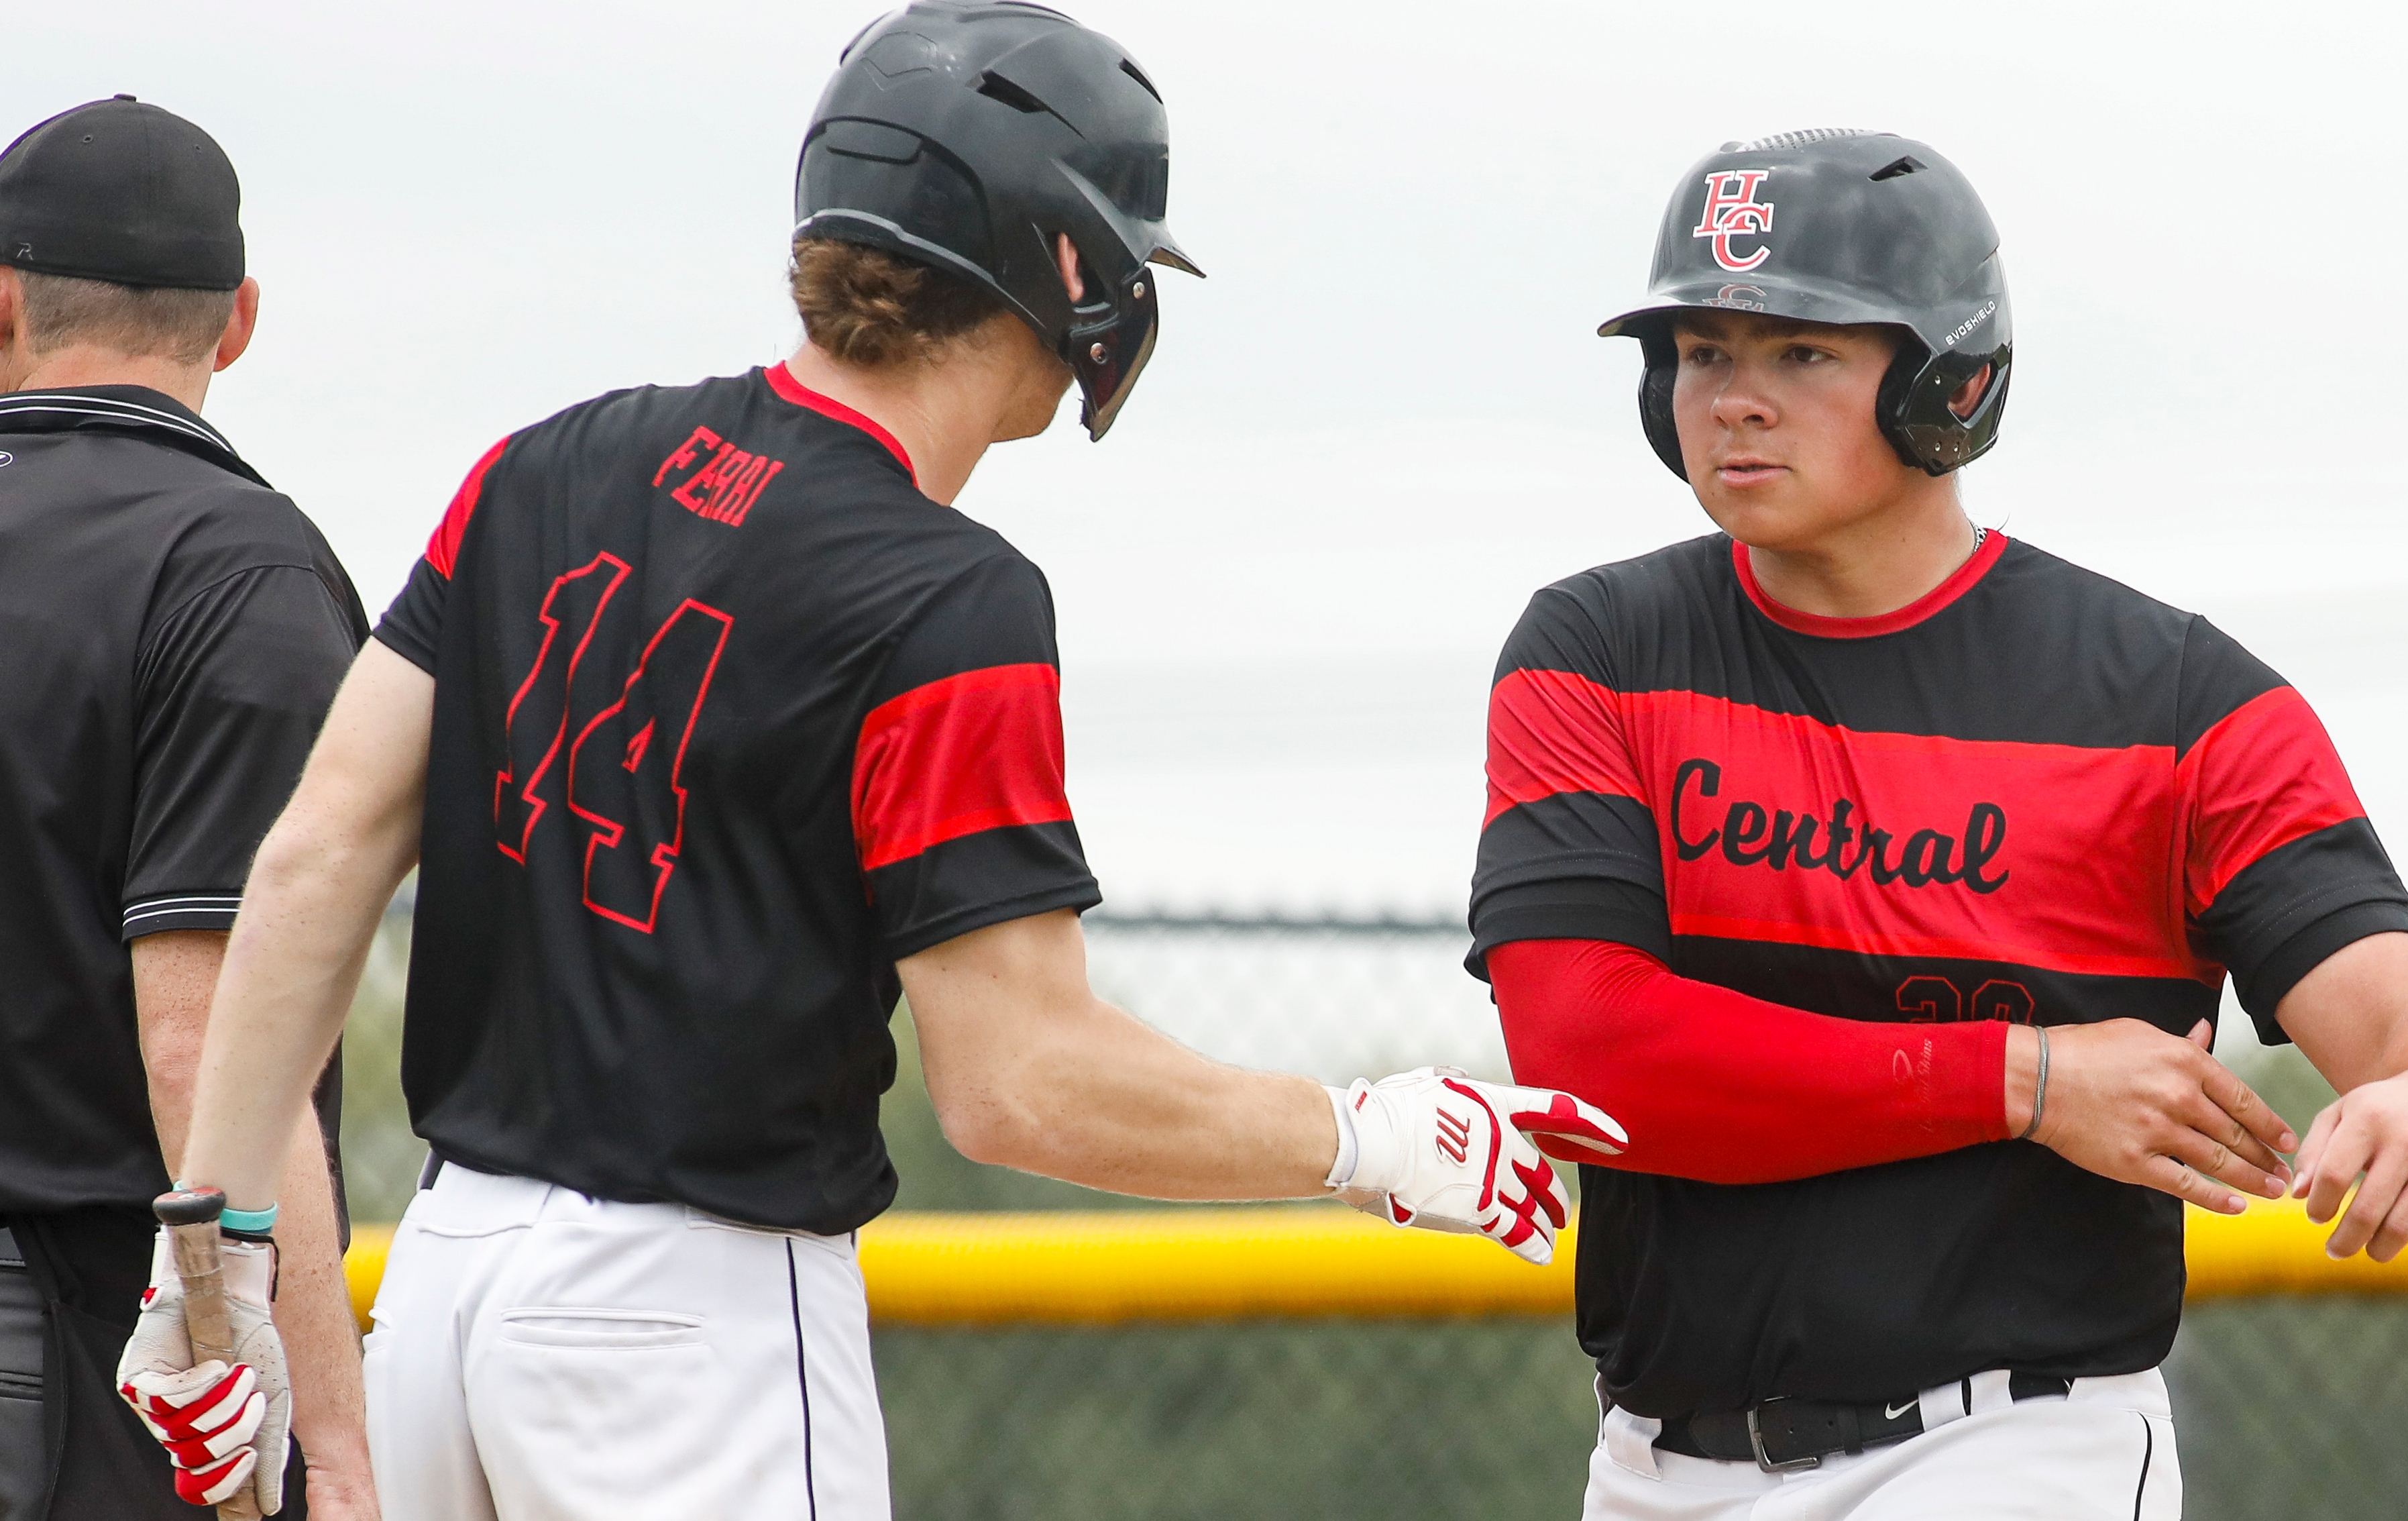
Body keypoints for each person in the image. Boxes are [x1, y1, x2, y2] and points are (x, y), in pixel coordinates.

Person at [119, 7, 1623, 1519]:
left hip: (441, 1292)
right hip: (683, 1328)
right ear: (1064, 264)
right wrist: (1361, 1136)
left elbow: (315, 858)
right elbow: (1016, 1086)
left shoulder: (545, 460)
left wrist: (214, 1260)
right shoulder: (943, 591)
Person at [1472, 129, 2408, 1520]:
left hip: (2009, 1452)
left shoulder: (2173, 700)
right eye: (1700, 350)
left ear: (1944, 381)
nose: (1730, 400)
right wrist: (2022, 1082)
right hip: (1650, 1466)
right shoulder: (1595, 646)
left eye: (1800, 353)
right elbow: (1588, 1056)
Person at [0, 98, 376, 1518]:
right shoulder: (233, 568)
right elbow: (209, 1043)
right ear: (239, 323)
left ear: (2, 302)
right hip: (68, 1357)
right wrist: (331, 1445)